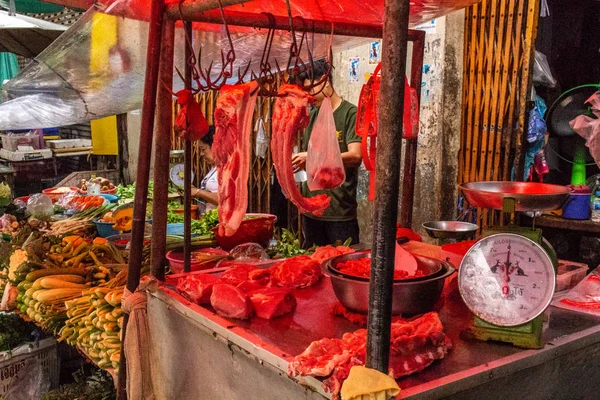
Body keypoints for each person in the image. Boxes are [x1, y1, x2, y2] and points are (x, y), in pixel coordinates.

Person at [292, 59, 363, 247]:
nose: (308, 96)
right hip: (312, 210)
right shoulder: (313, 115)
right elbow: (312, 156)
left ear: (324, 80)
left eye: (309, 89)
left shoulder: (350, 113)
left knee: (342, 265)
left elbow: (356, 156)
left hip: (339, 211)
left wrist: (313, 157)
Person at [191, 126, 218, 213]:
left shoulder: (226, 169)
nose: (202, 154)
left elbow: (223, 199)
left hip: (217, 222)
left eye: (203, 149)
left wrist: (198, 192)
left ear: (215, 147)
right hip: (206, 219)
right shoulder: (214, 168)